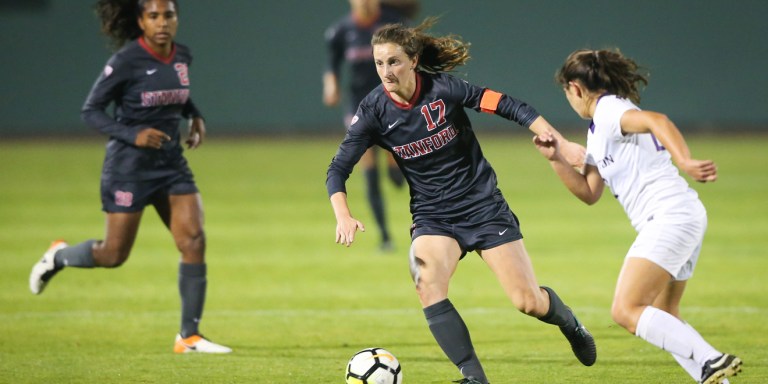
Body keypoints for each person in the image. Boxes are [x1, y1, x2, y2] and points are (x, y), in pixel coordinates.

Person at [325, 19, 596, 384]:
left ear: (414, 60)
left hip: (483, 208)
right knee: (427, 284)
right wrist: (343, 214)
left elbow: (509, 105)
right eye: (378, 63)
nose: (385, 71)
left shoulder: (444, 89)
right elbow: (338, 168)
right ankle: (474, 378)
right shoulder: (373, 110)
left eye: (394, 62)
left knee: (527, 302)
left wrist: (561, 144)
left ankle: (570, 323)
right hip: (433, 217)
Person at [28, 0, 231, 354]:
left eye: (168, 14)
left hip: (170, 164)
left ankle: (189, 336)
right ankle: (58, 256)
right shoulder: (125, 61)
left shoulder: (182, 55)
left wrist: (195, 116)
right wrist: (132, 134)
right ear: (140, 21)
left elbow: (178, 96)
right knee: (113, 254)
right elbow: (90, 111)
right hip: (128, 169)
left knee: (194, 241)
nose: (162, 22)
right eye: (153, 16)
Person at [534, 48, 742, 384]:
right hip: (680, 216)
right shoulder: (596, 129)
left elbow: (656, 121)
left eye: (566, 92)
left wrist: (685, 161)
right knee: (662, 315)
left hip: (668, 216)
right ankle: (717, 377)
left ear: (575, 88)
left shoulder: (610, 109)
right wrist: (555, 158)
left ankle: (710, 358)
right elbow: (589, 192)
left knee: (626, 310)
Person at [323, 0, 419, 252]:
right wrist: (330, 84)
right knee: (368, 169)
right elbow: (332, 65)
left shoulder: (392, 24)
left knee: (399, 173)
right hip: (360, 107)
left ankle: (394, 161)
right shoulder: (341, 31)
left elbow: (414, 54)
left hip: (393, 103)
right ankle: (385, 236)